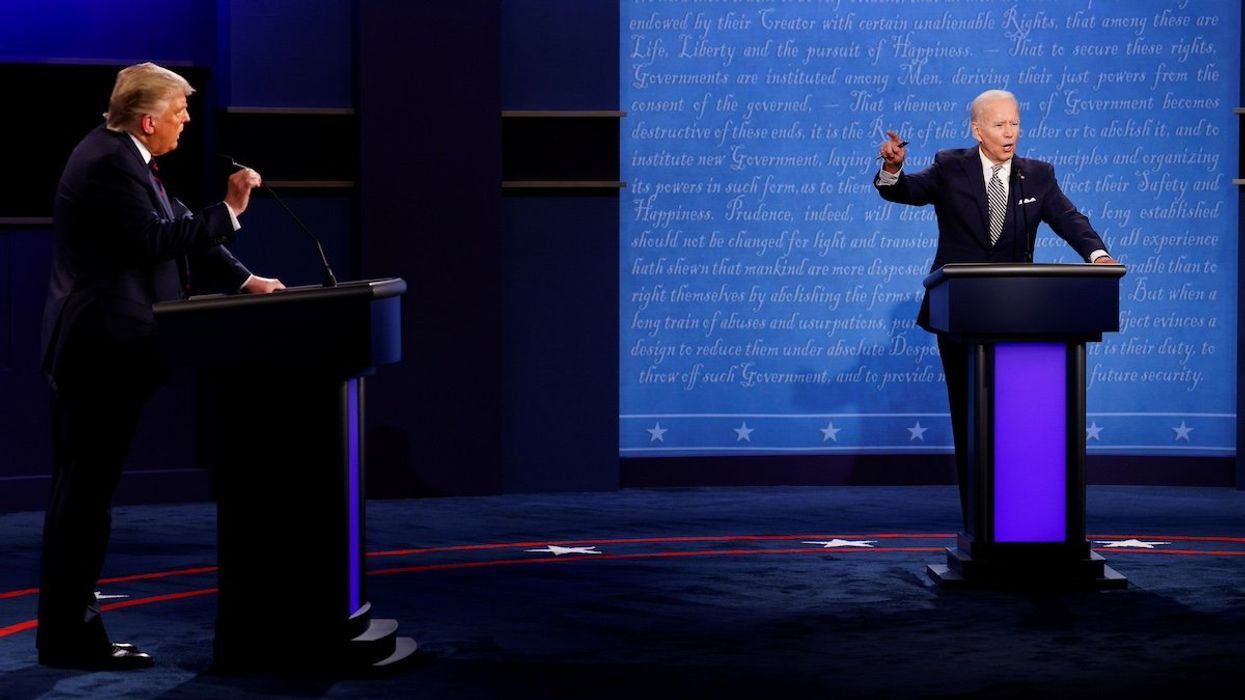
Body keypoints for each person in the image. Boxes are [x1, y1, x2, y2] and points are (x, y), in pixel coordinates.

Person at [37, 62, 285, 670]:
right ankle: (70, 639)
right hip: (99, 351)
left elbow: (178, 226)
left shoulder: (125, 157)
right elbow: (153, 241)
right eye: (180, 112)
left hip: (106, 348)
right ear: (149, 120)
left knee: (86, 495)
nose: (186, 121)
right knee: (84, 497)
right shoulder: (107, 164)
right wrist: (230, 208)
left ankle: (68, 634)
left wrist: (245, 279)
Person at [873, 88, 1118, 529]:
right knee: (972, 421)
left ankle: (1023, 523)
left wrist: (1097, 255)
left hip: (1020, 317)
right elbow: (906, 192)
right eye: (1000, 124)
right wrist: (892, 169)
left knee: (1018, 427)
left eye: (1015, 123)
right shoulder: (951, 166)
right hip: (959, 314)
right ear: (978, 129)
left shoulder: (1037, 175)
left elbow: (1069, 219)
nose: (1010, 133)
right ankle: (979, 527)